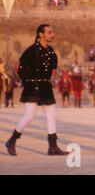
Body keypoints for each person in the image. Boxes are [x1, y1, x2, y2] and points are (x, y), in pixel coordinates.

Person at [5, 24, 69, 156]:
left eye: (52, 32)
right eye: (49, 32)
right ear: (41, 34)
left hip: (45, 86)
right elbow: (21, 69)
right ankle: (11, 140)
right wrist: (28, 81)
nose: (52, 34)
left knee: (51, 116)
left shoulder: (51, 51)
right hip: (32, 86)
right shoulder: (31, 50)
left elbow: (52, 68)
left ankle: (53, 147)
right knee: (29, 117)